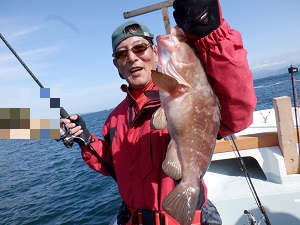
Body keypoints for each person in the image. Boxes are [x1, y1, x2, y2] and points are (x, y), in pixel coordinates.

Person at [60, 0, 256, 224]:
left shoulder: (181, 89)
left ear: (154, 51)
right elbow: (113, 165)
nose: (132, 57)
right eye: (122, 54)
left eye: (139, 48)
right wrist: (85, 139)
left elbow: (238, 112)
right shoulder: (114, 118)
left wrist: (211, 34)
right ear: (117, 65)